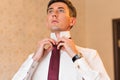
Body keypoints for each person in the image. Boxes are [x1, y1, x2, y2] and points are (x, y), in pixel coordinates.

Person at [12, 0, 110, 80]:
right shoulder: (34, 58)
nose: (54, 14)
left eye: (61, 10)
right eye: (50, 11)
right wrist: (34, 59)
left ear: (72, 21)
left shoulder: (90, 55)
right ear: (47, 21)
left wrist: (76, 56)